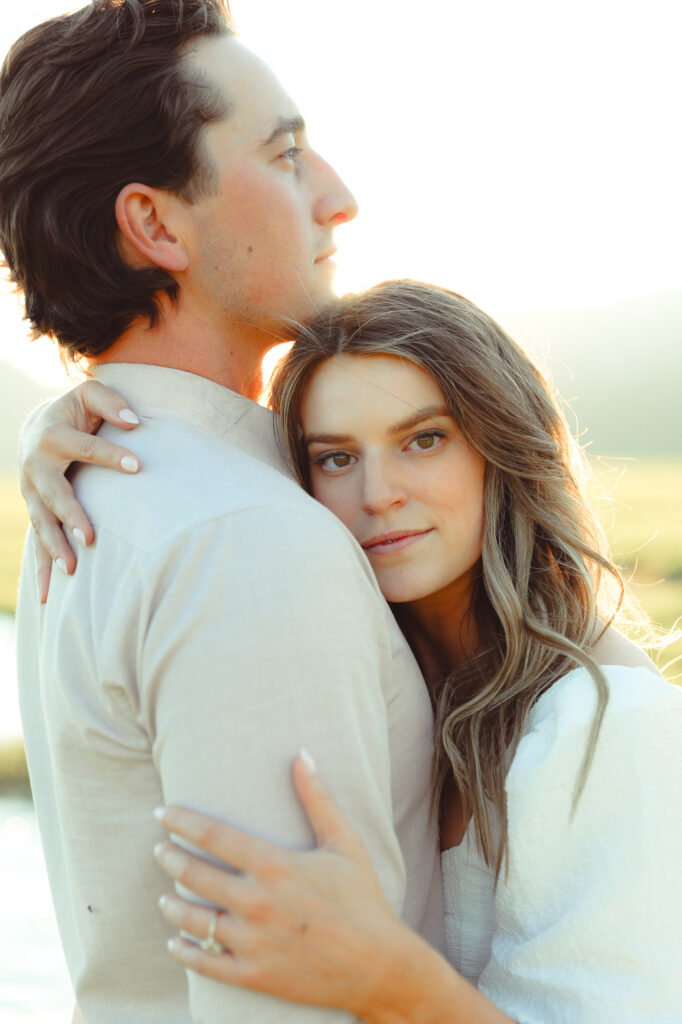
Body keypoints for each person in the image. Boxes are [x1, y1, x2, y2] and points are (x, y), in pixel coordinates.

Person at [21, 280, 682, 1023]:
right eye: (335, 458)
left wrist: (385, 974)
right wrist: (74, 423)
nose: (379, 494)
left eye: (423, 439)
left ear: (502, 447)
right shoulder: (370, 666)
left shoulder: (609, 724)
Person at [1, 4, 445, 1022]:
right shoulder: (245, 540)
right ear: (156, 224)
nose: (338, 197)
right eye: (285, 154)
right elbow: (287, 1003)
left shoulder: (103, 485)